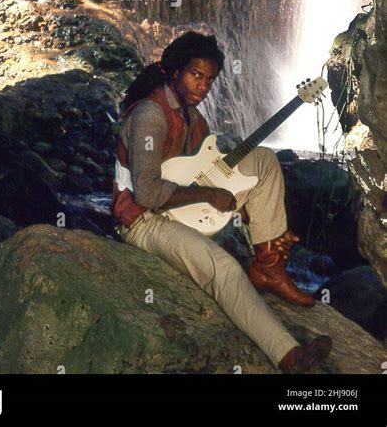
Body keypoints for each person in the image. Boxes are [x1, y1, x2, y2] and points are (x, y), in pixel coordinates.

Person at [111, 31, 333, 374]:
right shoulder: (150, 116)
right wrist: (208, 195)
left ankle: (268, 266)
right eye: (195, 75)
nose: (202, 87)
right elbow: (148, 193)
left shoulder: (194, 120)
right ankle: (290, 357)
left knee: (262, 160)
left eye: (210, 80)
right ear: (174, 71)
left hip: (179, 206)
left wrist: (256, 218)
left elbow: (200, 172)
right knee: (225, 269)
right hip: (143, 221)